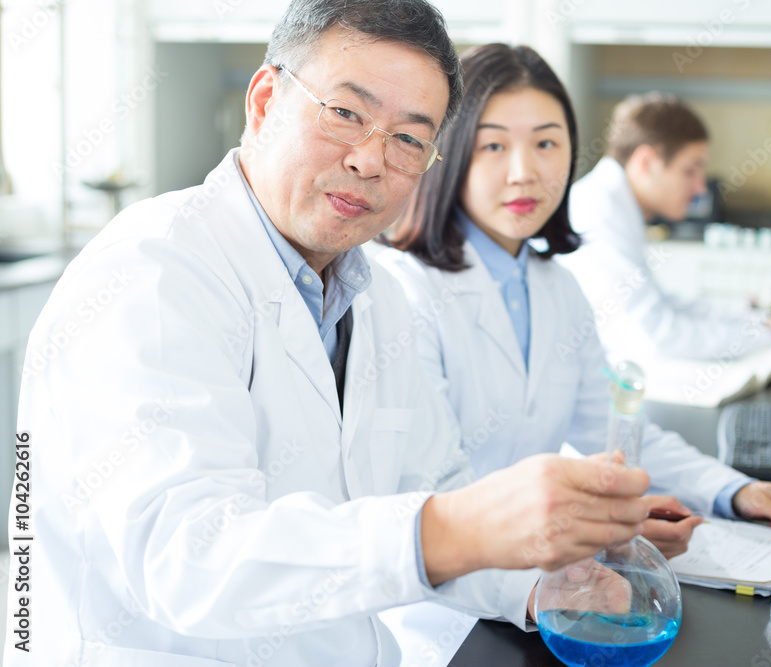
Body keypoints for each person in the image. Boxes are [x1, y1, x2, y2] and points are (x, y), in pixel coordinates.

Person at [7, 4, 656, 666]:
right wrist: (455, 529)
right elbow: (188, 557)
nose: (371, 159)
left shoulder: (373, 299)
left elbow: (435, 482)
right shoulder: (152, 273)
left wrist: (540, 583)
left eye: (409, 139)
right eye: (345, 113)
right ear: (265, 100)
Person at [379, 44, 771, 565]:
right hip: (447, 619)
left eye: (546, 142)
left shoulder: (556, 287)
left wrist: (732, 490)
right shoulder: (401, 293)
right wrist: (600, 532)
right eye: (493, 146)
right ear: (447, 153)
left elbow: (611, 431)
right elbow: (434, 496)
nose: (524, 172)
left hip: (540, 587)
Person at [558, 92, 771, 362]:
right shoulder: (599, 213)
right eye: (690, 170)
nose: (700, 187)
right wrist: (767, 338)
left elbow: (664, 306)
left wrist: (763, 324)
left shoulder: (612, 204)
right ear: (646, 162)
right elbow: (656, 337)